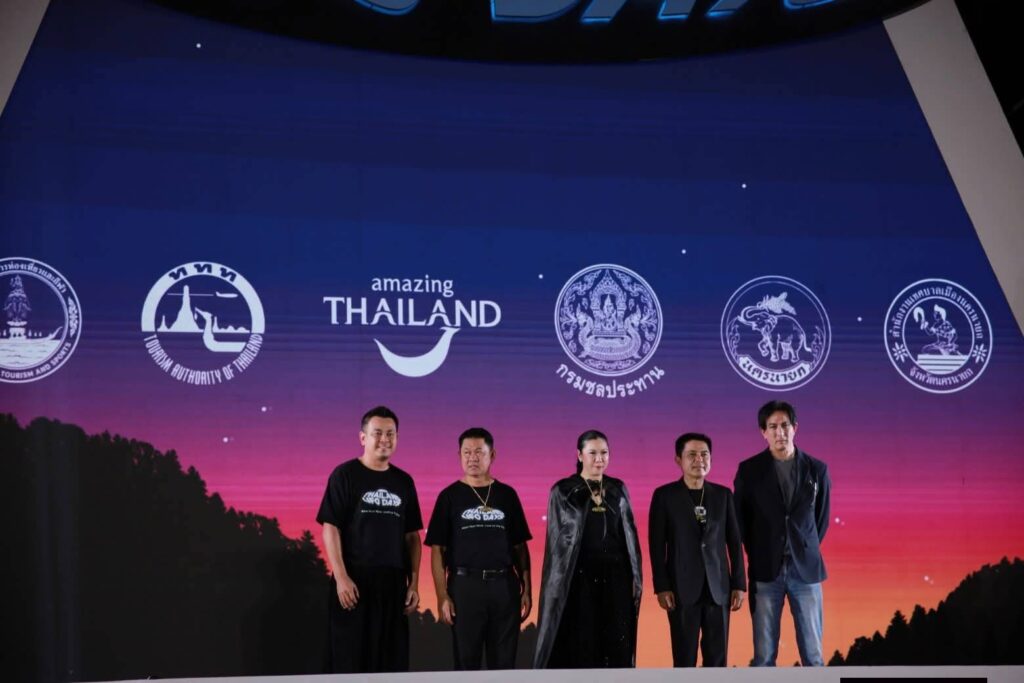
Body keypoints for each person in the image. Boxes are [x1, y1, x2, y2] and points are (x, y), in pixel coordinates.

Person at [316, 405, 423, 673]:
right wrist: (341, 577)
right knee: (349, 661)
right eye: (377, 433)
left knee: (391, 663)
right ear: (363, 437)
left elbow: (412, 537)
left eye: (390, 434)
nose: (384, 439)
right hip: (354, 582)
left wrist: (413, 583)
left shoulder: (404, 481)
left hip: (393, 584)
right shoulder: (344, 475)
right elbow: (330, 528)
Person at [424, 427, 533, 669]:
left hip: (504, 587)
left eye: (479, 452)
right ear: (459, 455)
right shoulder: (448, 497)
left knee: (504, 664)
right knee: (466, 663)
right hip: (465, 588)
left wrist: (527, 589)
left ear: (492, 455)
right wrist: (442, 596)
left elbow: (520, 547)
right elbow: (437, 551)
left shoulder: (507, 495)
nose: (472, 458)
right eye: (467, 452)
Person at [734, 400, 831, 667]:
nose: (780, 432)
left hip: (806, 570)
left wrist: (802, 545)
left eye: (785, 425)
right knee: (764, 656)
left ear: (795, 428)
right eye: (773, 427)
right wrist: (760, 549)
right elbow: (740, 520)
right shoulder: (749, 470)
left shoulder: (817, 469)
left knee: (813, 655)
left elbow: (820, 520)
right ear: (763, 432)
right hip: (766, 570)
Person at [533, 430, 642, 669]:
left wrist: (635, 576)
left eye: (604, 453)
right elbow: (556, 544)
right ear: (580, 455)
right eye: (592, 453)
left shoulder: (617, 488)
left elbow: (630, 535)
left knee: (616, 641)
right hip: (578, 577)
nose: (599, 459)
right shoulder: (563, 490)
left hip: (616, 576)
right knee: (582, 640)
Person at [649, 433, 746, 667]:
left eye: (704, 454)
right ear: (678, 459)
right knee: (684, 658)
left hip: (718, 589)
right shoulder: (664, 496)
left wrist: (739, 584)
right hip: (681, 590)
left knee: (718, 660)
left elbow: (734, 542)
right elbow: (656, 545)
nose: (699, 460)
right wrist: (662, 586)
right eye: (691, 454)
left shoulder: (723, 495)